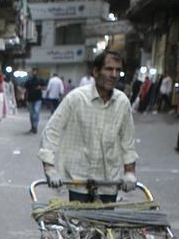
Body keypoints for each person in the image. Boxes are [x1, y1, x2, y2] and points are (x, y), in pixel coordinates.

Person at [38, 49, 138, 203]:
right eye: (109, 69)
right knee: (79, 225)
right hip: (78, 179)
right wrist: (49, 168)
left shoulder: (122, 102)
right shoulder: (76, 98)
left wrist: (130, 172)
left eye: (118, 70)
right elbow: (52, 131)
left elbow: (128, 140)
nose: (114, 75)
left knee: (105, 225)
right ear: (96, 71)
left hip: (109, 179)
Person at [24, 67, 46, 134]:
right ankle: (32, 127)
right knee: (31, 114)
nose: (34, 73)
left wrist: (40, 87)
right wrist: (24, 97)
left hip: (38, 99)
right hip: (30, 99)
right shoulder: (29, 80)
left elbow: (45, 87)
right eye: (33, 71)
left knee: (36, 112)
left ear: (38, 72)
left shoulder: (41, 79)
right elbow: (26, 89)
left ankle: (35, 126)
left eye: (35, 71)